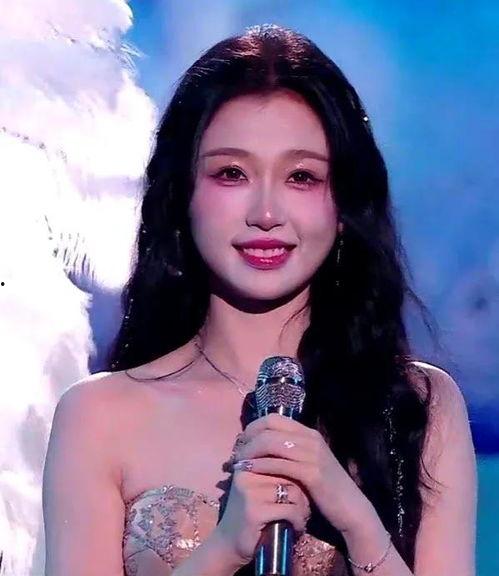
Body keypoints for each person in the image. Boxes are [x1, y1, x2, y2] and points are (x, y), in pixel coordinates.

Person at [42, 24, 477, 576]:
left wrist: (355, 521)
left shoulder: (420, 406)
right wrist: (224, 549)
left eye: (301, 176)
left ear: (345, 205)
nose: (266, 213)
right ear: (182, 195)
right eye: (232, 173)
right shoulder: (98, 415)